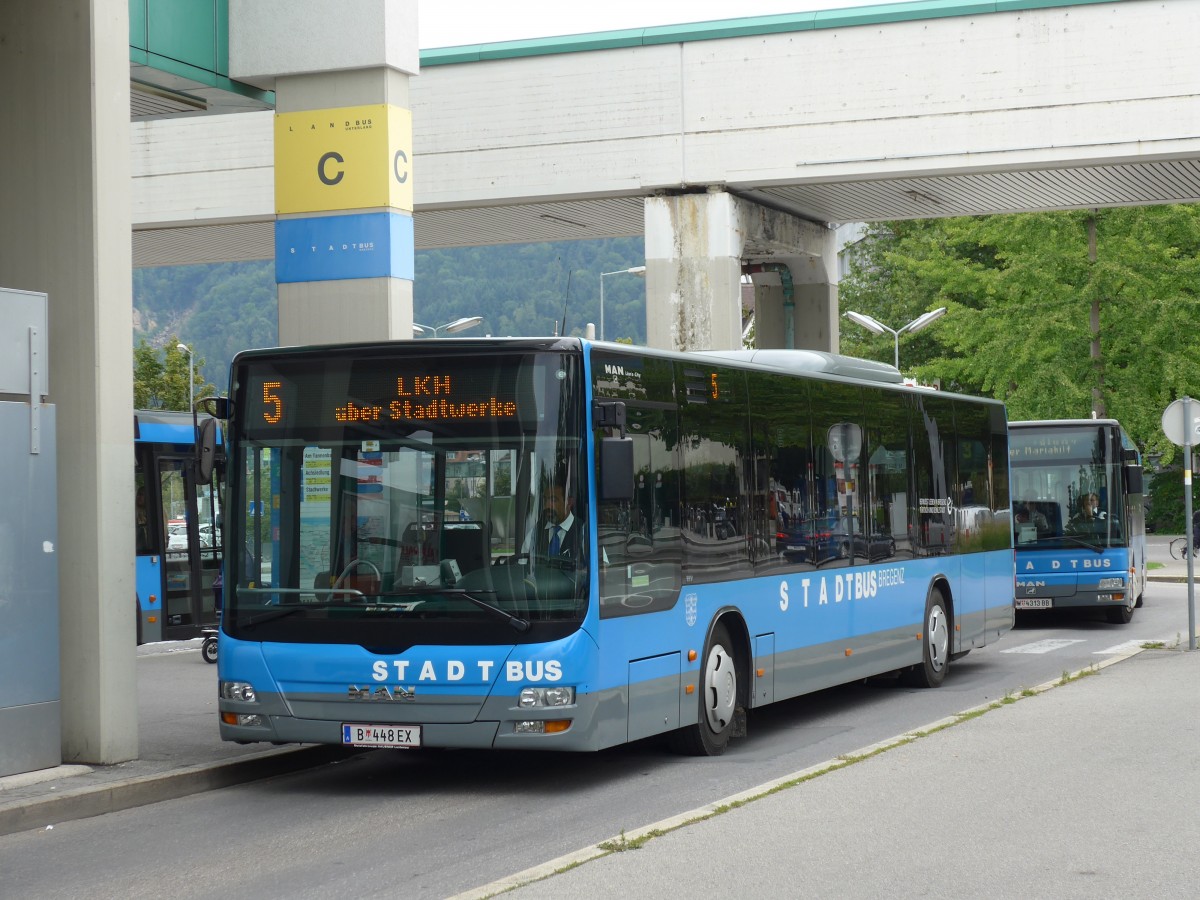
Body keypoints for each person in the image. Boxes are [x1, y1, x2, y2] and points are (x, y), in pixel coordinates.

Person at [539, 484, 579, 560]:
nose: (547, 506)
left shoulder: (584, 532)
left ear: (569, 502)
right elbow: (522, 564)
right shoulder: (535, 533)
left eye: (553, 500)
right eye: (545, 500)